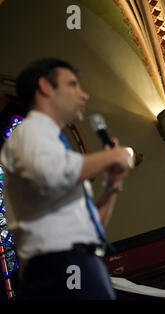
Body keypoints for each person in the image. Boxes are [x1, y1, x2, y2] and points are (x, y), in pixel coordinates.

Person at [0, 58, 134, 300]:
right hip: (57, 267)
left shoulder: (57, 149)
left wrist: (111, 184)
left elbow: (91, 228)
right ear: (45, 87)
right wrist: (114, 155)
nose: (83, 95)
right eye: (73, 85)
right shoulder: (27, 133)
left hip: (82, 261)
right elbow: (51, 173)